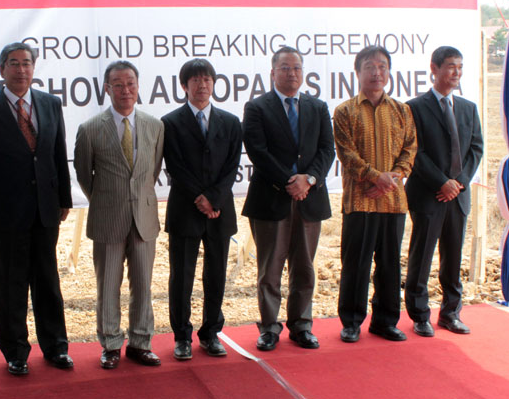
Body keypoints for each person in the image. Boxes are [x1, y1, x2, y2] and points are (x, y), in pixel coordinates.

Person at [0, 42, 73, 375]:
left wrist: (64, 199)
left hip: (45, 210)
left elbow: (58, 154)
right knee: (10, 284)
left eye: (26, 63)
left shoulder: (50, 104)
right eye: (13, 63)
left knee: (48, 282)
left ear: (34, 67)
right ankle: (15, 351)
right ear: (1, 70)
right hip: (6, 213)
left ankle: (56, 347)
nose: (21, 69)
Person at [242, 47, 335, 351]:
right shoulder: (257, 107)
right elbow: (258, 151)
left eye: (296, 68)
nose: (291, 73)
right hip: (271, 199)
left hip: (309, 198)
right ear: (273, 73)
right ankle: (269, 327)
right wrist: (288, 181)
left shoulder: (317, 107)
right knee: (270, 269)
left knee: (304, 267)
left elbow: (326, 151)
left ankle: (301, 326)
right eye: (284, 68)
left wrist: (308, 180)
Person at [74, 60, 164, 369]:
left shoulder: (155, 125)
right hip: (107, 219)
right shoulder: (89, 129)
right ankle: (111, 344)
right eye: (118, 84)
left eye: (130, 84)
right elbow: (85, 176)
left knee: (143, 285)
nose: (125, 90)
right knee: (108, 286)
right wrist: (108, 200)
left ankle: (141, 342)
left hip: (143, 219)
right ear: (106, 88)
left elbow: (152, 171)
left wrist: (136, 198)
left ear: (138, 87)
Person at [333, 45, 417, 343]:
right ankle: (352, 321)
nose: (376, 72)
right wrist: (375, 177)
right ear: (357, 72)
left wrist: (388, 180)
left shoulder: (402, 111)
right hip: (359, 201)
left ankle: (385, 321)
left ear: (389, 72)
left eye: (382, 66)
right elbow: (347, 154)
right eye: (370, 66)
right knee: (356, 263)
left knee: (390, 265)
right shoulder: (345, 111)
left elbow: (409, 151)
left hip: (393, 203)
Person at [161, 59, 242, 360]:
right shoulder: (169, 123)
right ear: (184, 85)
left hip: (220, 211)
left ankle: (211, 333)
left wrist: (214, 199)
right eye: (195, 80)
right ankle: (182, 336)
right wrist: (200, 197)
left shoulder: (231, 123)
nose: (202, 85)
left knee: (216, 275)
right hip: (185, 209)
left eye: (207, 79)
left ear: (214, 83)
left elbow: (232, 165)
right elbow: (175, 166)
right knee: (181, 276)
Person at [404, 46, 483, 337]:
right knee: (422, 254)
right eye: (450, 66)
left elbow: (476, 148)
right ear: (434, 68)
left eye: (460, 67)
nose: (456, 73)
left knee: (453, 255)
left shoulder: (467, 107)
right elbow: (414, 152)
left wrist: (458, 182)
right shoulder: (414, 107)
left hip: (458, 196)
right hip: (428, 194)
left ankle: (451, 313)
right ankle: (419, 314)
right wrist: (441, 182)